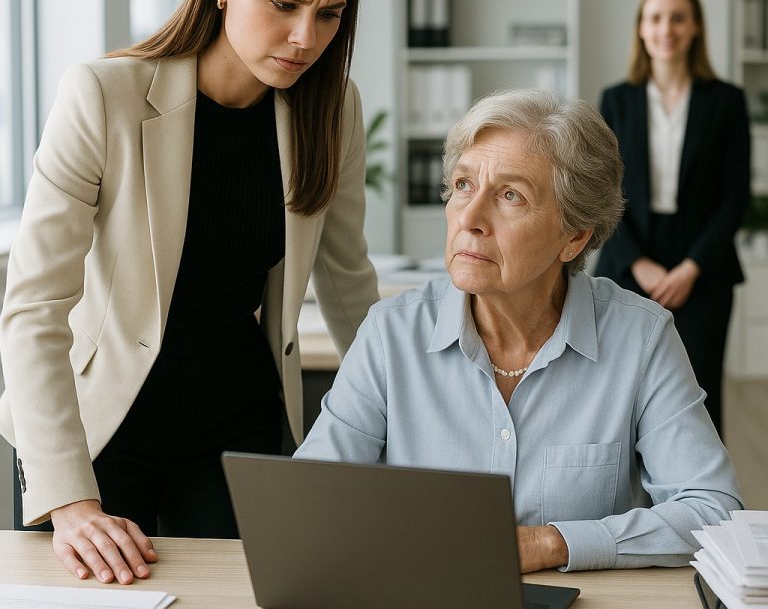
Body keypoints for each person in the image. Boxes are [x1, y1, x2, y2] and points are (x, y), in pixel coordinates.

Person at [0, 0, 379, 583]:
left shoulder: (332, 109)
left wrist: (423, 431)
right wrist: (72, 501)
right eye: (284, 4)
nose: (306, 37)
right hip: (105, 426)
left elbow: (349, 285)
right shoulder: (102, 96)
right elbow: (32, 308)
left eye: (330, 14)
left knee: (271, 593)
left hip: (242, 421)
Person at [296, 89, 743, 573]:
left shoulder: (642, 338)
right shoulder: (390, 335)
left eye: (510, 195)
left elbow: (712, 510)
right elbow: (306, 503)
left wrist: (553, 544)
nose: (469, 219)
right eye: (464, 185)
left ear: (575, 236)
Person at [594, 0, 751, 436]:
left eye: (678, 18)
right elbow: (600, 192)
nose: (667, 29)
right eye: (656, 18)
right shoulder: (616, 101)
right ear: (641, 29)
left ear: (696, 27)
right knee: (619, 395)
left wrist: (690, 268)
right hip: (628, 258)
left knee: (698, 397)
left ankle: (704, 503)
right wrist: (639, 263)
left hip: (702, 267)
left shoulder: (725, 101)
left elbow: (734, 196)